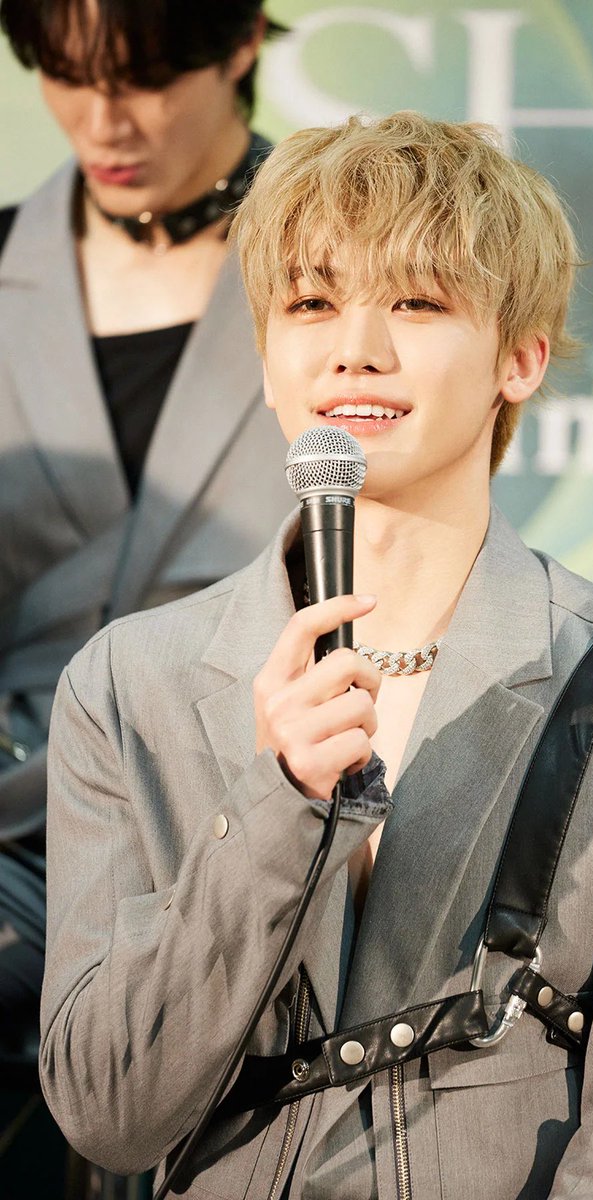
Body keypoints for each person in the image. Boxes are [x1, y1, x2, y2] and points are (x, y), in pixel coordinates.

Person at [41, 112, 593, 1199]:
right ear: (266, 361)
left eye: (417, 303)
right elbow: (107, 1111)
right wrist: (276, 803)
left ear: (520, 358)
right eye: (311, 304)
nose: (355, 348)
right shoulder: (125, 685)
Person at [0, 0, 294, 1061]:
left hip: (258, 827)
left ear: (241, 40)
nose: (102, 124)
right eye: (69, 76)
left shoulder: (347, 277)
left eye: (143, 80)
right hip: (19, 827)